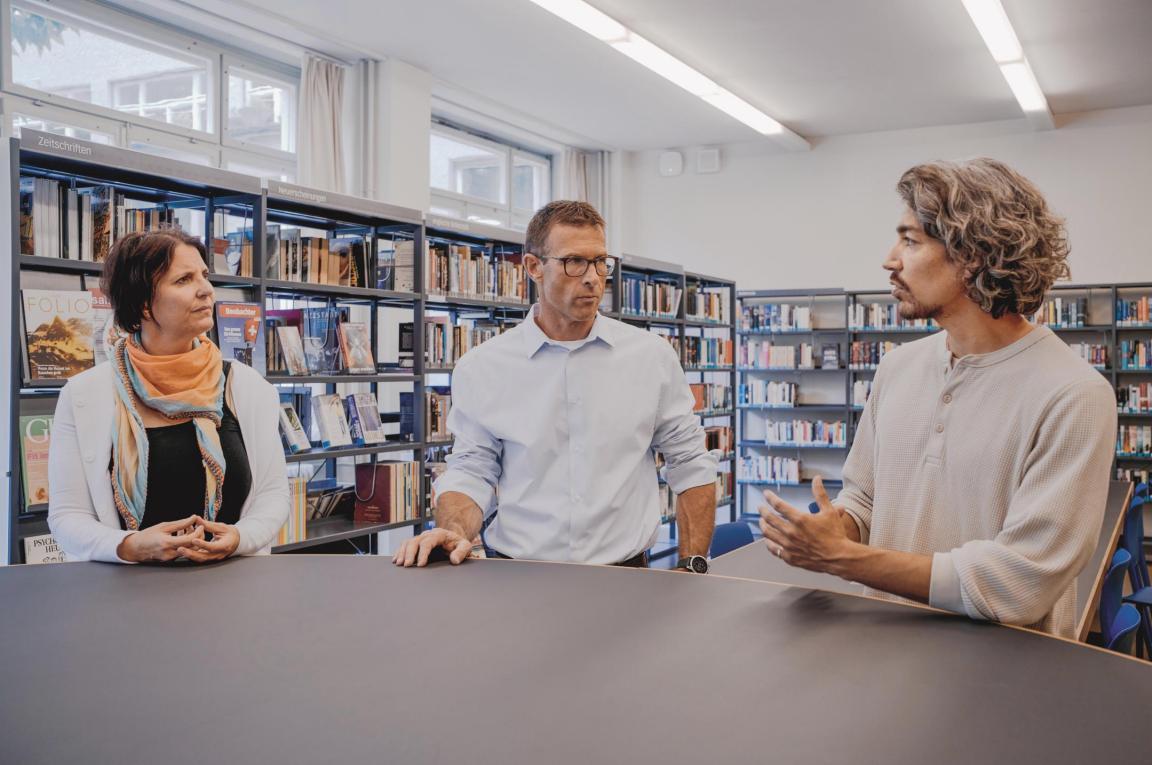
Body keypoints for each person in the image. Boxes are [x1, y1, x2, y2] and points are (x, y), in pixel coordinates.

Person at [758, 158, 1116, 637]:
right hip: (885, 653)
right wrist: (833, 531)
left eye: (910, 240)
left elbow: (1020, 583)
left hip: (1004, 683)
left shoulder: (1074, 394)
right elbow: (865, 500)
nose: (890, 259)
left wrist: (844, 559)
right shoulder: (896, 368)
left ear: (974, 255)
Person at [394, 201, 718, 571]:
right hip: (517, 575)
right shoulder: (484, 367)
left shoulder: (651, 357)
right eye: (574, 262)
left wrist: (692, 563)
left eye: (600, 262)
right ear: (533, 267)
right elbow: (472, 468)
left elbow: (690, 460)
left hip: (626, 576)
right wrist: (454, 531)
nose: (593, 277)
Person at [49, 229, 289, 563]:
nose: (205, 289)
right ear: (144, 304)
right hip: (126, 598)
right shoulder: (84, 395)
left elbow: (274, 495)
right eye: (184, 280)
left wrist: (239, 537)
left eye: (204, 276)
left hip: (233, 591)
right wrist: (129, 545)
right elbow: (66, 515)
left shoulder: (247, 387)